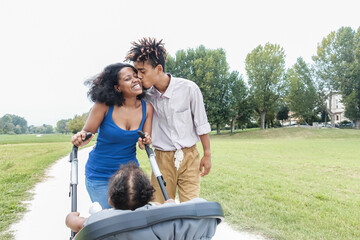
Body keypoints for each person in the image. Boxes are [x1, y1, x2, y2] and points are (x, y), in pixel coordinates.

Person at [125, 38, 212, 204]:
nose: (139, 77)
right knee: (160, 208)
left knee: (191, 207)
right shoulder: (145, 95)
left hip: (189, 157)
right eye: (136, 72)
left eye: (143, 71)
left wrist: (207, 154)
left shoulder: (189, 89)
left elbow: (201, 124)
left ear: (158, 69)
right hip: (161, 158)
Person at [71, 63, 153, 209]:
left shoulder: (147, 109)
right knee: (109, 220)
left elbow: (143, 144)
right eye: (128, 78)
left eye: (136, 76)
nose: (135, 80)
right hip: (100, 176)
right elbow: (87, 134)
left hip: (129, 177)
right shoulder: (104, 105)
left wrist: (145, 140)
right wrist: (80, 138)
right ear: (117, 87)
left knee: (133, 220)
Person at [65, 162, 175, 233]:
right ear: (149, 197)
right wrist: (169, 203)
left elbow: (76, 224)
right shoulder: (156, 210)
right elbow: (164, 206)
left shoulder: (102, 218)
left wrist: (71, 216)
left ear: (110, 200)